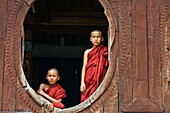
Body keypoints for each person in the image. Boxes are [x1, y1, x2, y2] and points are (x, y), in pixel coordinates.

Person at [80, 30, 109, 102]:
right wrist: (82, 82)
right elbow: (84, 67)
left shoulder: (105, 51)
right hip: (89, 78)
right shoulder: (87, 52)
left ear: (102, 39)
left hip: (100, 77)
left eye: (98, 37)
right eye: (94, 37)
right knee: (86, 97)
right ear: (90, 39)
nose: (96, 39)